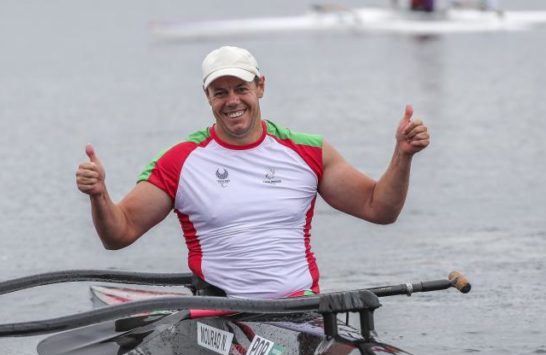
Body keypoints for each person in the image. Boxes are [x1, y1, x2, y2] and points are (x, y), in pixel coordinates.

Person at [76, 46, 430, 299]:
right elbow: (119, 234)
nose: (232, 101)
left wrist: (403, 155)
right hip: (223, 314)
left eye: (241, 89)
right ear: (207, 96)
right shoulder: (179, 162)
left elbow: (378, 209)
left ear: (260, 86)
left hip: (301, 308)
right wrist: (99, 195)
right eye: (220, 92)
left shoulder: (309, 151)